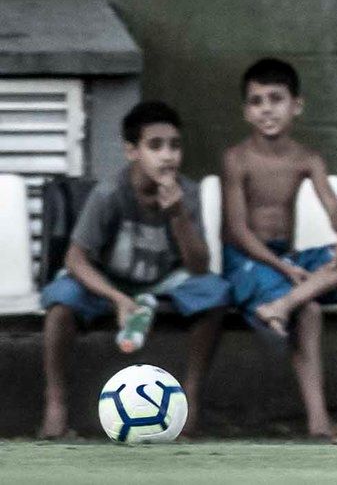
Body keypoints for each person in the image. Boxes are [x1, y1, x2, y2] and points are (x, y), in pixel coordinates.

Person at [39, 101, 230, 438]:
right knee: (61, 305)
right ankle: (56, 403)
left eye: (174, 145)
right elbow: (75, 259)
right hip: (112, 280)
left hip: (165, 280)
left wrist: (178, 215)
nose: (168, 156)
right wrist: (116, 298)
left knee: (215, 295)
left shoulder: (187, 192)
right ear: (132, 151)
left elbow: (199, 266)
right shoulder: (110, 193)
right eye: (155, 146)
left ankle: (191, 398)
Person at [220, 57, 337, 442]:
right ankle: (320, 420)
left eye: (276, 99)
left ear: (296, 105)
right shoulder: (236, 159)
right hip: (248, 260)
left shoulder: (307, 158)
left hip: (288, 263)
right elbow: (237, 231)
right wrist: (285, 269)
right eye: (257, 101)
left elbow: (334, 208)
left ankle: (283, 306)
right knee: (309, 310)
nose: (267, 109)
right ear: (246, 111)